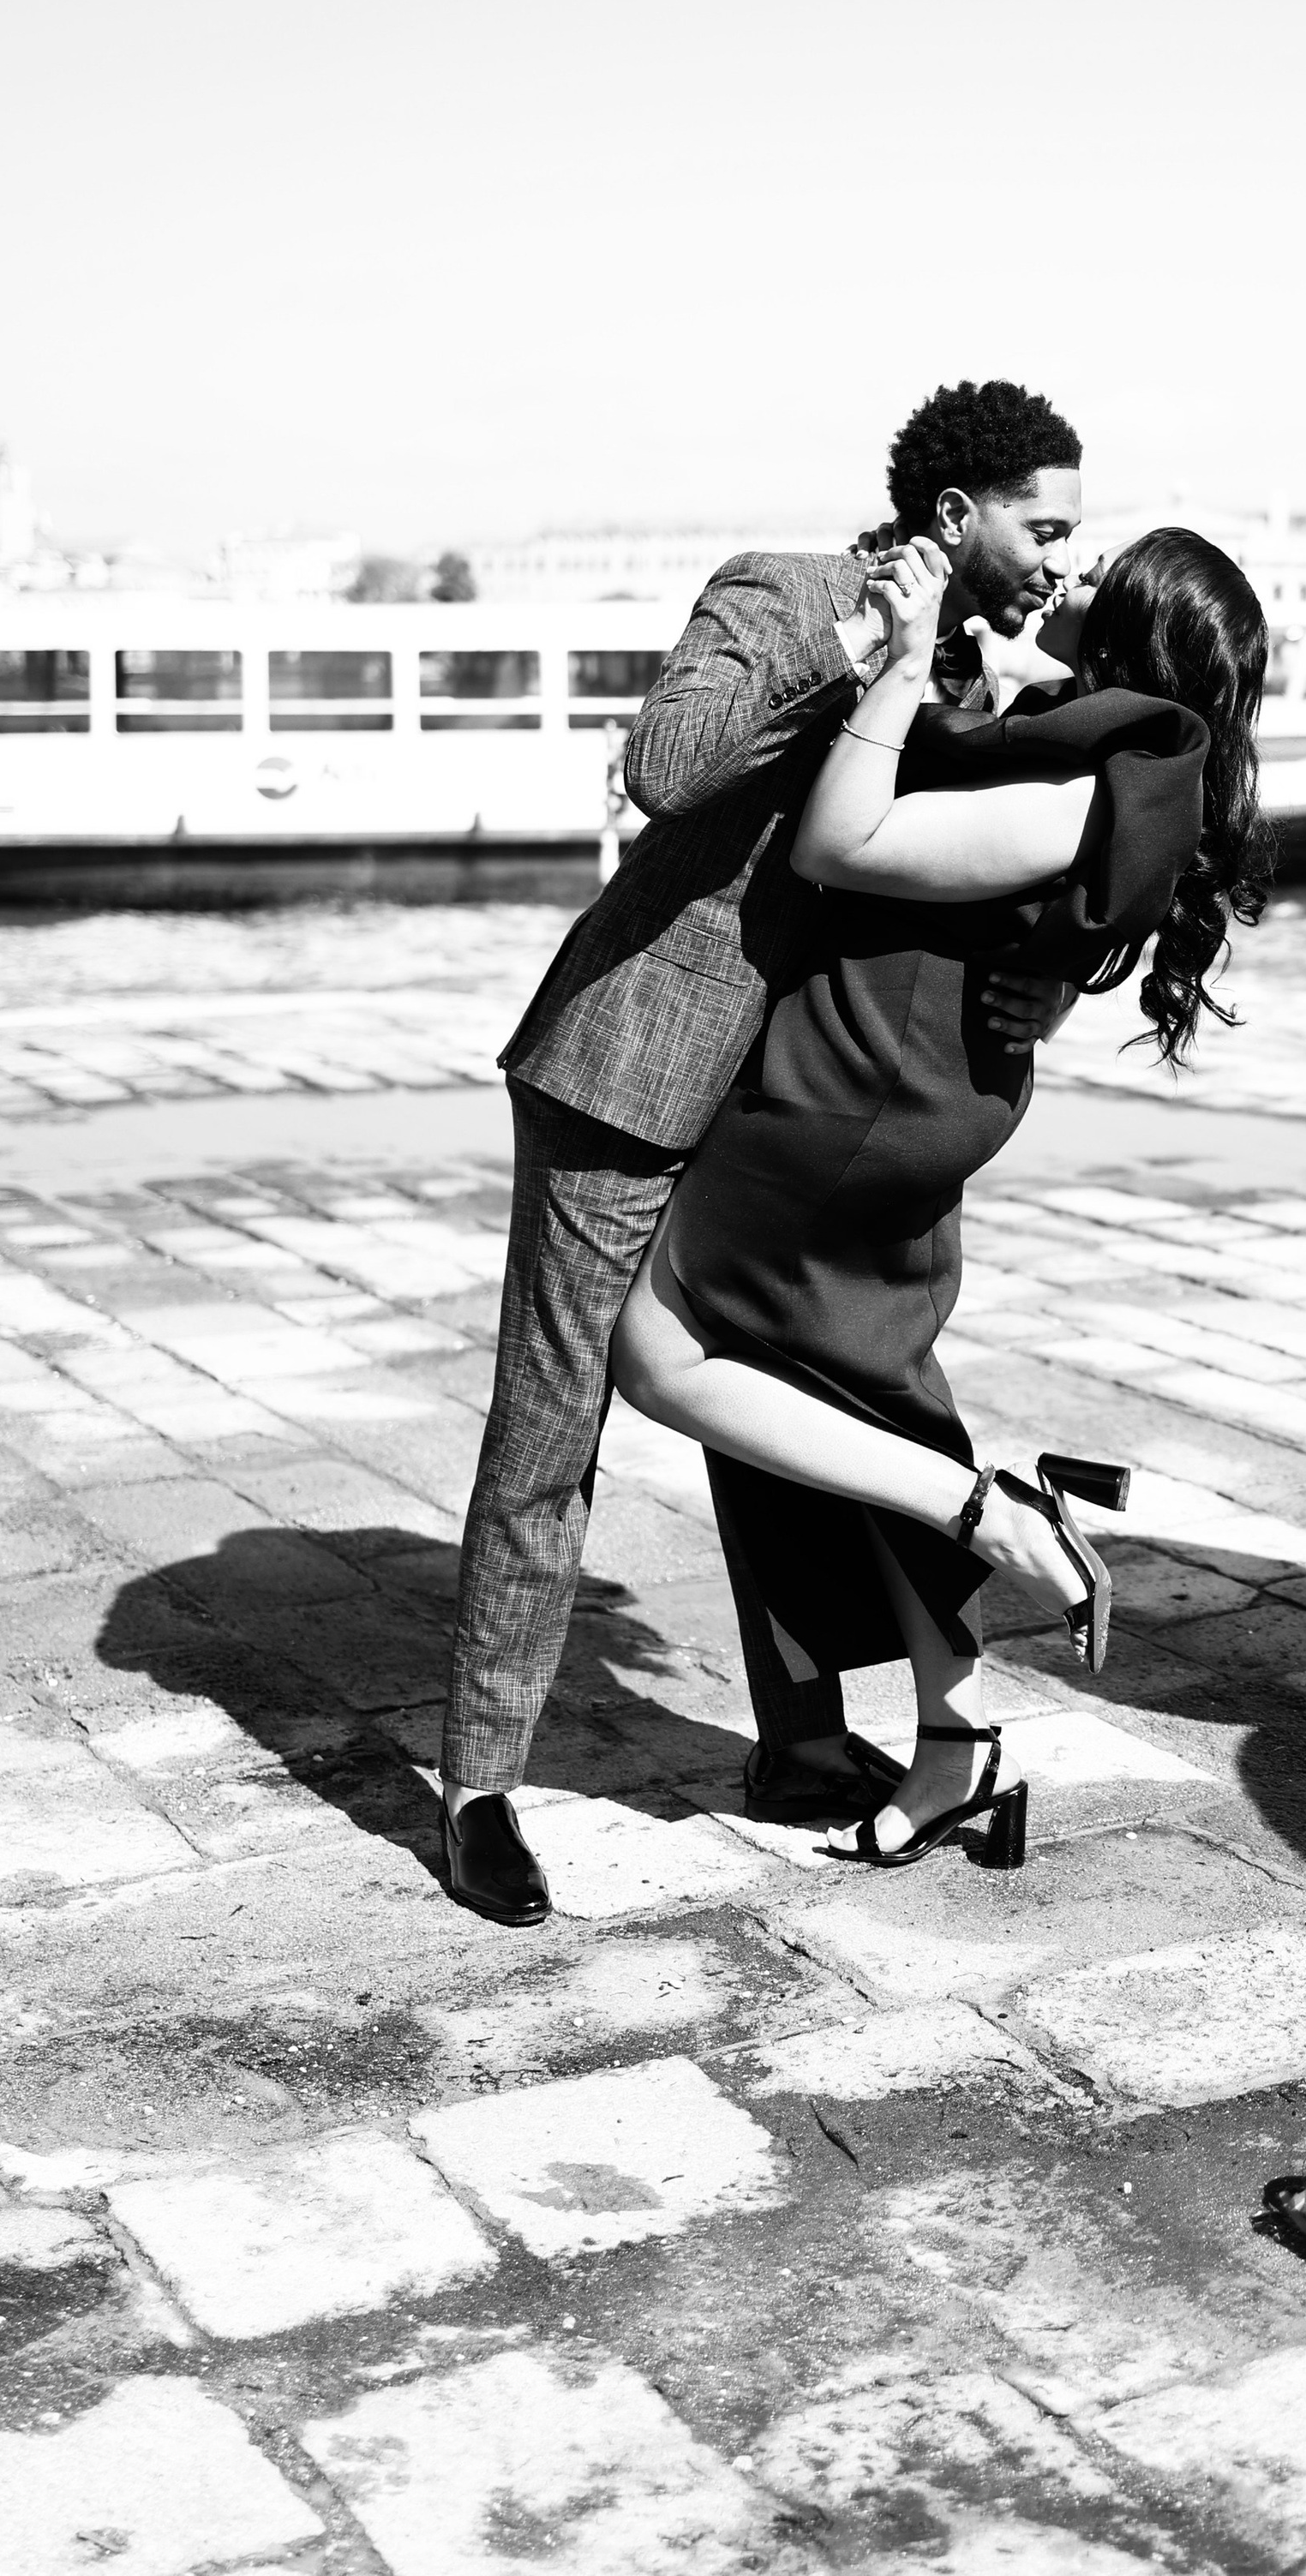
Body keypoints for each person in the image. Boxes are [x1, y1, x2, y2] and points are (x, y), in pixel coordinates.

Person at [439, 380, 1087, 1925]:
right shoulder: (782, 596)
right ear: (953, 519)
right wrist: (869, 651)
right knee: (554, 1428)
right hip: (636, 1069)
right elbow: (669, 765)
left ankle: (803, 1744)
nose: (1066, 558)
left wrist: (1048, 976)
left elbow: (968, 874)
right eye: (1043, 527)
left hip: (795, 1107)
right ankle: (477, 1790)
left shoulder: (988, 678)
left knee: (787, 1407)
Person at [604, 524, 1273, 1867]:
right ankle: (956, 1740)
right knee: (858, 1402)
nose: (1061, 586)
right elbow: (1044, 906)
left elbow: (841, 844)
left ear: (1133, 643)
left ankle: (992, 1513)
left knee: (660, 1354)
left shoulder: (1085, 781)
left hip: (852, 1102)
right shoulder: (1106, 755)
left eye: (1093, 583)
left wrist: (907, 662)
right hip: (912, 1088)